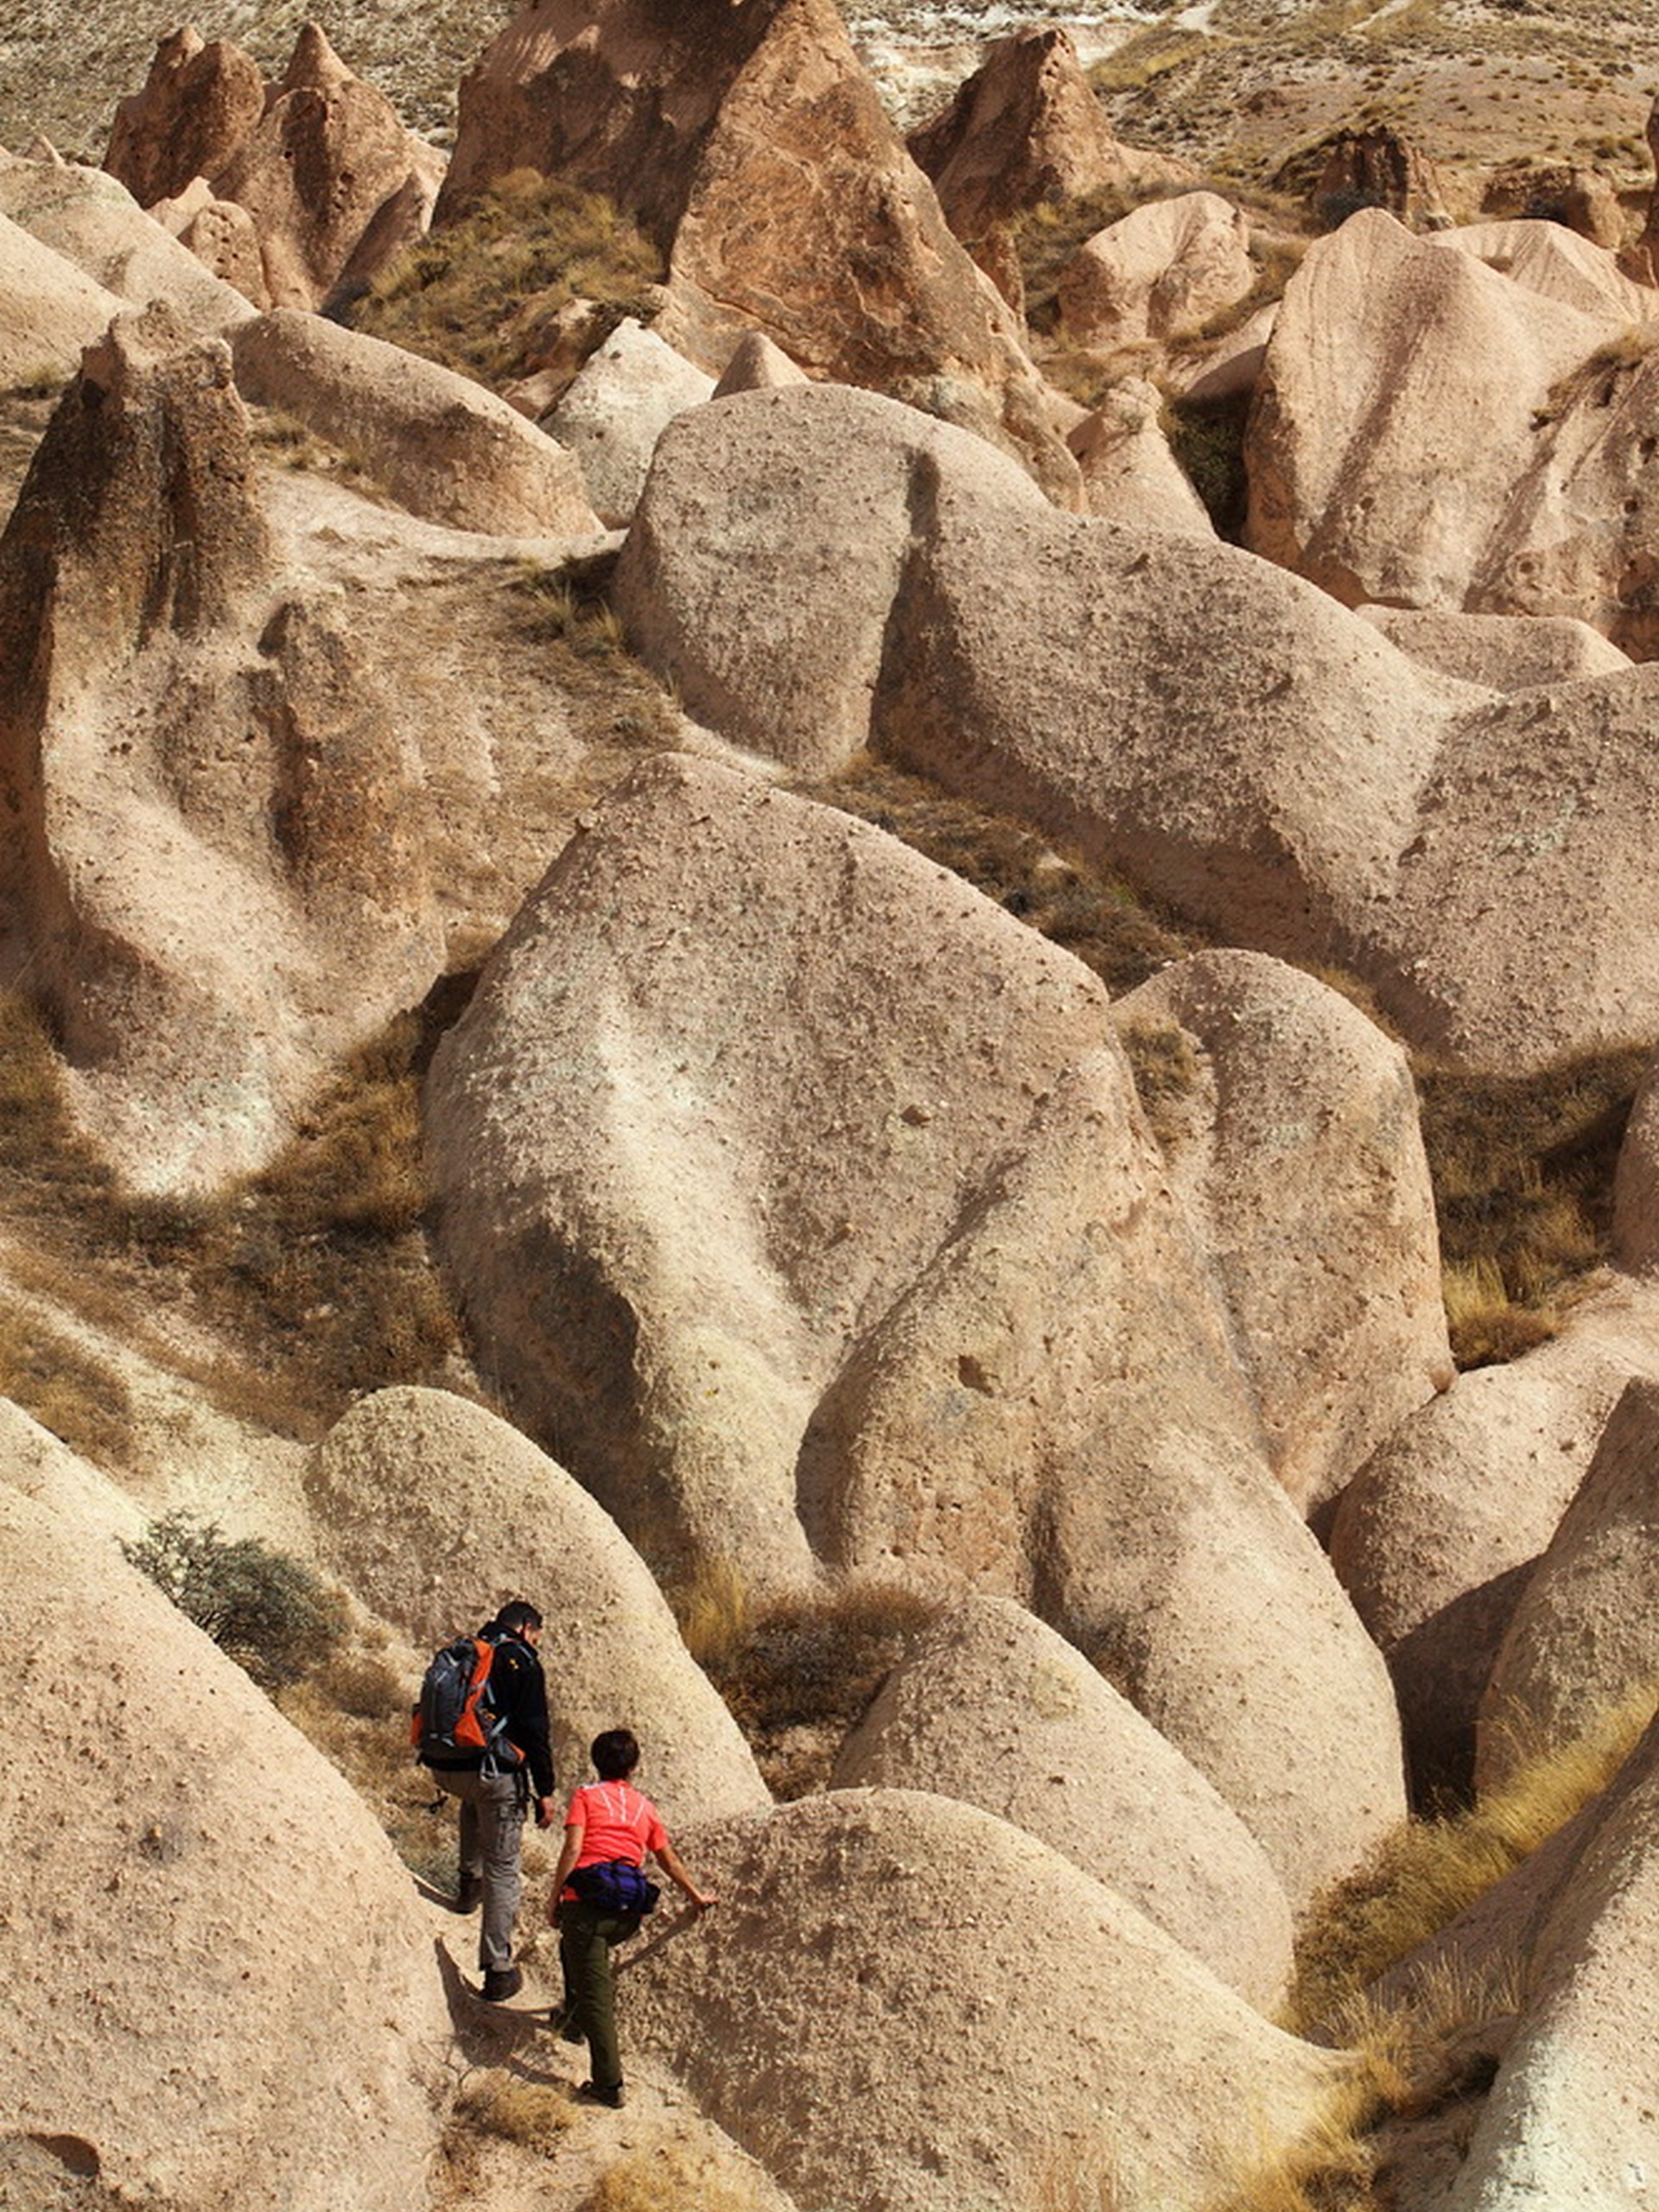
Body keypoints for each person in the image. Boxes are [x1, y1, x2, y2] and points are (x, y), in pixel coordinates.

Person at [550, 1727, 717, 2107]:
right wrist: (696, 1896)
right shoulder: (645, 1808)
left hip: (587, 1908)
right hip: (627, 1913)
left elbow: (574, 1847)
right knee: (574, 1951)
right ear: (634, 1767)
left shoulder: (586, 1797)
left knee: (597, 1994)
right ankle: (571, 2021)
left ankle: (608, 2084)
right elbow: (667, 1859)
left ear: (595, 1762)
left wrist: (555, 1897)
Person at [423, 1599, 556, 2001]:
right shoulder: (522, 1660)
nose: (536, 1642)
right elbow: (535, 1731)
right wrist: (546, 1790)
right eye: (536, 1635)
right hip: (492, 1777)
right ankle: (498, 1970)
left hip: (446, 1767)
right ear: (526, 1628)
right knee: (504, 1867)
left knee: (474, 1799)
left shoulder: (466, 1648)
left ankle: (467, 1888)